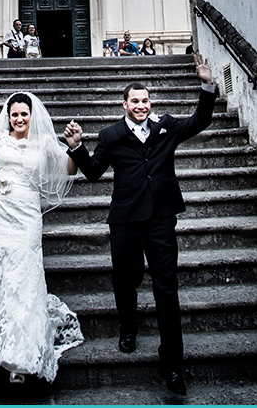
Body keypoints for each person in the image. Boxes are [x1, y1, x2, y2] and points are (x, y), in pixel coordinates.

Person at [63, 54, 217, 397]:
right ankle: (129, 326)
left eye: (146, 101)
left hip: (161, 218)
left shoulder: (168, 127)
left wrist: (206, 85)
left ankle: (173, 366)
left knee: (167, 289)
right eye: (135, 101)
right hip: (126, 221)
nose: (141, 106)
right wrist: (76, 148)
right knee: (126, 279)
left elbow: (201, 120)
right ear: (124, 104)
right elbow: (92, 171)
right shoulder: (111, 135)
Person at [0, 67, 83, 384]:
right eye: (14, 115)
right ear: (8, 116)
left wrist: (76, 146)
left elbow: (67, 169)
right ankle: (1, 343)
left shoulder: (44, 143)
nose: (19, 119)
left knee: (24, 276)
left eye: (24, 114)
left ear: (31, 115)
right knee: (0, 274)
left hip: (26, 213)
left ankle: (23, 350)